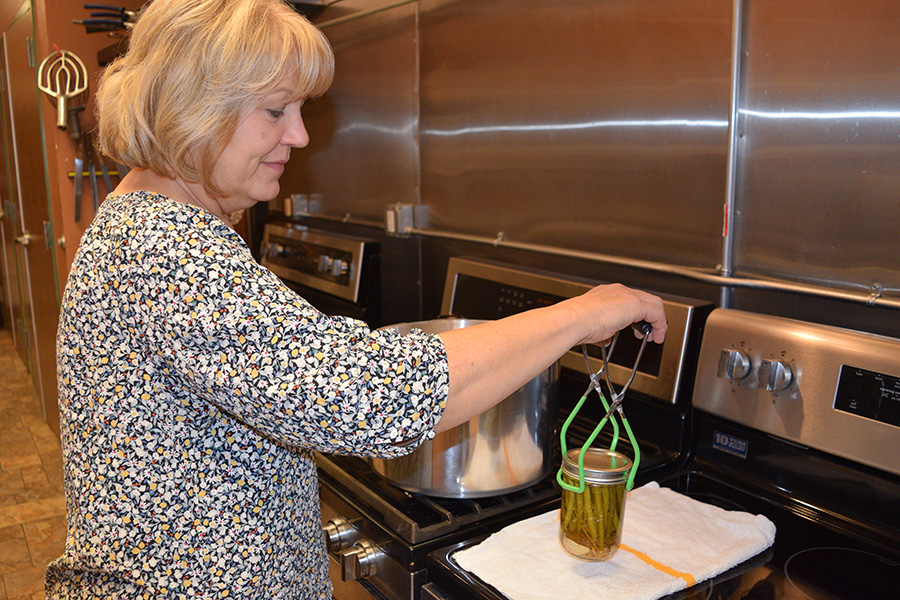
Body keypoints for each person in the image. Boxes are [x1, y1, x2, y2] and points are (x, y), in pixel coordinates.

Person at [47, 0, 667, 598]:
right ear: (195, 111)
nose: (298, 134)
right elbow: (376, 397)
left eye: (300, 108)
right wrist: (580, 313)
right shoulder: (164, 249)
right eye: (275, 110)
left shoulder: (143, 223)